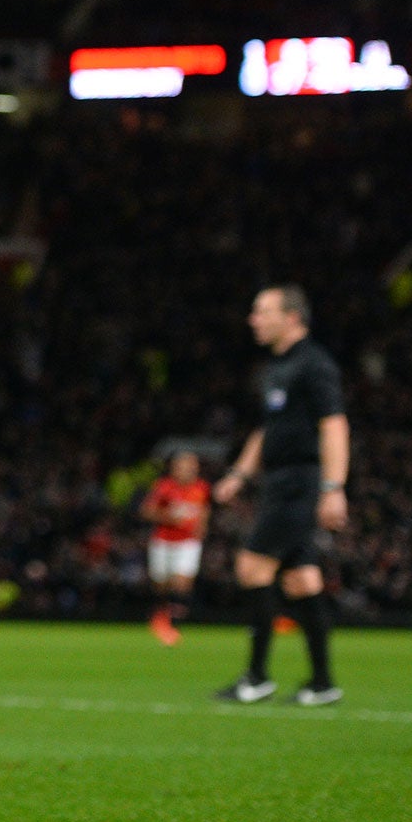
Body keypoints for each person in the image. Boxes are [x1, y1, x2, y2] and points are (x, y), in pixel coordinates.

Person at [212, 285, 349, 706]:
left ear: (291, 317)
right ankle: (322, 683)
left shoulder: (313, 365)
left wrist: (333, 487)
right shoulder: (277, 367)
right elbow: (267, 429)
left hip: (299, 482)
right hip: (278, 480)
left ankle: (256, 678)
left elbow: (334, 425)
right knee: (301, 579)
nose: (253, 319)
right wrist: (239, 472)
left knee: (252, 566)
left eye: (261, 311)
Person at [140, 448, 209, 645]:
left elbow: (203, 509)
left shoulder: (201, 488)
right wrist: (169, 517)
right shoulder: (164, 487)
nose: (189, 469)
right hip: (163, 541)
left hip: (188, 543)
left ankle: (174, 624)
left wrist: (202, 526)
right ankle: (160, 615)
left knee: (182, 583)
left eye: (192, 465)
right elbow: (146, 511)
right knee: (161, 584)